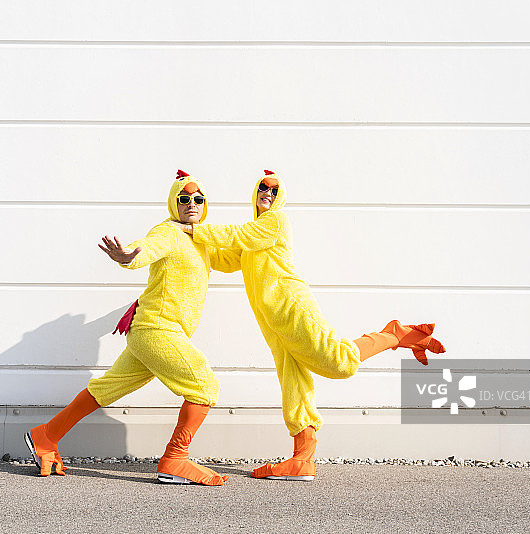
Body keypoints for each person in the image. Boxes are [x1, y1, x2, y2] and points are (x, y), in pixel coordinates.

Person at [181, 170, 445, 481]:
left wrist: (192, 229)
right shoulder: (255, 232)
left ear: (280, 197)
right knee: (295, 385)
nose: (267, 193)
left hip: (294, 309)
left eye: (273, 190)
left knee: (340, 363)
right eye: (262, 188)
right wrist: (185, 243)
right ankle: (302, 458)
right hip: (274, 323)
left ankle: (394, 334)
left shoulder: (274, 222)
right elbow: (226, 258)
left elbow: (239, 235)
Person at [25, 170, 241, 485]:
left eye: (198, 199)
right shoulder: (169, 232)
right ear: (174, 203)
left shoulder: (203, 239)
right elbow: (147, 247)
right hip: (158, 330)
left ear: (205, 204)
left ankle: (46, 435)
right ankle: (175, 459)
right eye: (184, 199)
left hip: (153, 334)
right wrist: (127, 256)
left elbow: (234, 257)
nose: (191, 203)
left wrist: (265, 236)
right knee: (204, 387)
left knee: (106, 388)